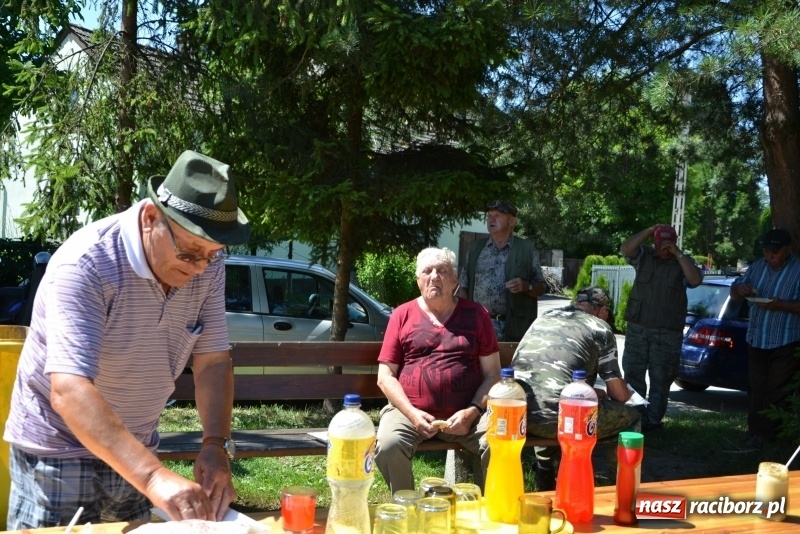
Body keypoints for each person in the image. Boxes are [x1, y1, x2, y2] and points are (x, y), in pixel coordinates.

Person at [3, 150, 251, 529]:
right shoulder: (87, 262)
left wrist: (215, 443)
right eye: (189, 252)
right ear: (152, 218)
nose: (200, 267)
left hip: (136, 446)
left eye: (213, 254)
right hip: (57, 449)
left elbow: (212, 360)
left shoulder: (207, 267)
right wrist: (153, 478)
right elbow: (69, 389)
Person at [375, 247, 501, 493]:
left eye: (442, 271)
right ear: (418, 280)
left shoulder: (477, 315)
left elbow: (493, 374)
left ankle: (493, 513)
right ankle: (406, 511)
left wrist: (473, 411)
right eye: (427, 271)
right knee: (389, 444)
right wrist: (412, 414)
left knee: (501, 440)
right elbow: (385, 376)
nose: (434, 276)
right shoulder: (401, 315)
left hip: (468, 415)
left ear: (454, 280)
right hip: (410, 413)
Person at [510, 286, 641, 491]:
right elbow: (618, 393)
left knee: (552, 402)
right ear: (603, 311)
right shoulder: (599, 327)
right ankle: (616, 484)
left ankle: (544, 473)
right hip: (557, 420)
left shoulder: (546, 317)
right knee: (630, 417)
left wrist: (593, 392)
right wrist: (629, 395)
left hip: (518, 414)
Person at [620, 224, 703, 431]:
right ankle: (635, 419)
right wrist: (648, 231)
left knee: (662, 378)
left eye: (668, 243)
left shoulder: (682, 261)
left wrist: (678, 254)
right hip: (639, 328)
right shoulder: (644, 256)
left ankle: (654, 421)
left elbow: (695, 280)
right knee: (633, 375)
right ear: (653, 242)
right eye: (659, 242)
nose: (663, 247)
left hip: (667, 332)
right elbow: (626, 249)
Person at [729, 228, 800, 448]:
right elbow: (734, 292)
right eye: (766, 251)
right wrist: (740, 289)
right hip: (757, 338)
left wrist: (782, 305)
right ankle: (754, 432)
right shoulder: (758, 266)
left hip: (785, 340)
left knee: (777, 390)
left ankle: (770, 437)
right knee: (756, 388)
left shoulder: (798, 269)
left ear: (787, 250)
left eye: (774, 252)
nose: (769, 256)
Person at [457, 200, 546, 342]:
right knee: (479, 364)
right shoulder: (475, 248)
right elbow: (463, 287)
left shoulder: (527, 249)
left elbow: (541, 287)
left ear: (512, 221)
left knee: (511, 365)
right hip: (479, 325)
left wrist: (526, 286)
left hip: (516, 327)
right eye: (489, 215)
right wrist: (461, 319)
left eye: (497, 215)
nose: (491, 219)